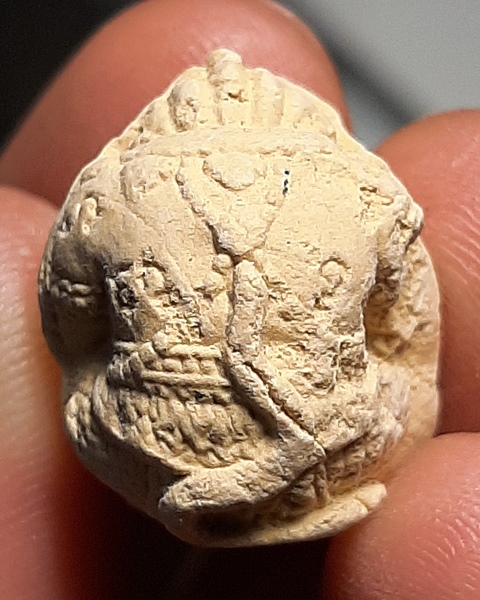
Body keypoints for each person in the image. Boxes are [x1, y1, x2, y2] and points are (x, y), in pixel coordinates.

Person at [0, 1, 479, 598]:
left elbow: (73, 329)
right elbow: (401, 332)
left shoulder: (109, 193)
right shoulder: (363, 198)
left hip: (142, 446)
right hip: (331, 448)